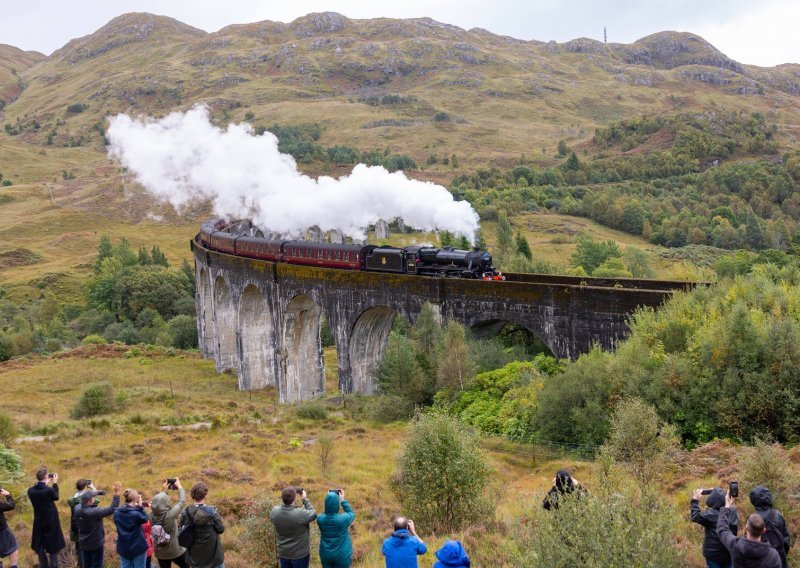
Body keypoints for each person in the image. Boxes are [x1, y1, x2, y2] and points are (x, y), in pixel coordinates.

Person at [717, 490, 781, 568]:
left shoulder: (736, 545)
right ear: (764, 530)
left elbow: (722, 529)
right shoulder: (773, 555)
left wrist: (727, 506)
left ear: (746, 528)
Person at [74, 482, 121, 568]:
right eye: (93, 498)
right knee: (97, 565)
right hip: (96, 544)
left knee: (87, 564)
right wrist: (117, 494)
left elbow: (83, 500)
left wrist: (97, 492)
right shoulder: (95, 512)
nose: (95, 498)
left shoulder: (76, 509)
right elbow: (112, 508)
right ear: (90, 501)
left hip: (83, 542)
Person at [269, 486, 317, 568]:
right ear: (294, 498)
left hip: (283, 553)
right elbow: (313, 513)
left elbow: (284, 511)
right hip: (300, 555)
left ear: (282, 497)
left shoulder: (274, 511)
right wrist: (304, 499)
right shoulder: (300, 514)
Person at [28, 467, 66, 568]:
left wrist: (45, 483)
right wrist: (55, 483)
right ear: (46, 477)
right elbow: (56, 496)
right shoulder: (48, 490)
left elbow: (41, 491)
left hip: (39, 520)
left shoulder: (30, 491)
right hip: (51, 521)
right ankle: (54, 565)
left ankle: (43, 565)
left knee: (40, 543)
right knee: (53, 546)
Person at [180, 482, 224, 568]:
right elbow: (221, 529)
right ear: (205, 495)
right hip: (214, 557)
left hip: (194, 559)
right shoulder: (213, 512)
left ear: (192, 495)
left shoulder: (186, 512)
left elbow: (180, 530)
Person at [692, 487, 738, 568]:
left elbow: (695, 516)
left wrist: (695, 500)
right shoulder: (733, 511)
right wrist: (716, 492)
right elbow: (726, 504)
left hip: (713, 555)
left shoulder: (710, 515)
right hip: (729, 551)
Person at [151, 477, 189, 568]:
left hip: (160, 552)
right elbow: (182, 501)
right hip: (175, 550)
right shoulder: (170, 515)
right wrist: (179, 486)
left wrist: (163, 490)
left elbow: (158, 504)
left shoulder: (150, 516)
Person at [749, 486, 791, 568]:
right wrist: (781, 555)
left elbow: (747, 544)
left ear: (753, 500)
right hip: (778, 561)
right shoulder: (777, 515)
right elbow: (786, 539)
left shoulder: (751, 519)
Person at [316, 489, 355, 568]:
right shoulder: (342, 519)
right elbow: (351, 513)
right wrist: (342, 500)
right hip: (342, 554)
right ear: (337, 504)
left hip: (325, 554)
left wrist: (329, 498)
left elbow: (324, 514)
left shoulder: (320, 519)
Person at [114, 488, 150, 568]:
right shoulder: (136, 514)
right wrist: (141, 507)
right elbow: (145, 518)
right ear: (136, 499)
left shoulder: (117, 512)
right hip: (138, 548)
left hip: (123, 547)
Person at [67, 479, 91, 568]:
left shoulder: (73, 498)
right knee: (84, 548)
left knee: (78, 546)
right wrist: (92, 487)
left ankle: (80, 564)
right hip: (86, 526)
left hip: (75, 525)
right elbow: (96, 500)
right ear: (85, 487)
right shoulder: (87, 498)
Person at [0, 487, 19, 568]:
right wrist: (8, 495)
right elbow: (11, 505)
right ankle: (14, 566)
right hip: (2, 529)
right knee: (13, 547)